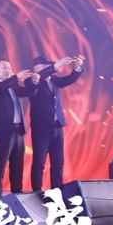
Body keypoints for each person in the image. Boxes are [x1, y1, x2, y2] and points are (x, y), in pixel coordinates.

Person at [28, 54, 85, 191]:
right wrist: (55, 66)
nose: (42, 70)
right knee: (39, 162)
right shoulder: (32, 81)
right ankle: (37, 191)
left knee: (58, 162)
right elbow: (40, 76)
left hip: (57, 126)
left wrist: (77, 68)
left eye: (45, 67)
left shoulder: (53, 80)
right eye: (40, 67)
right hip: (41, 128)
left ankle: (57, 190)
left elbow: (70, 79)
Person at [0, 60, 37, 200]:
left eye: (9, 67)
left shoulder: (12, 85)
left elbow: (27, 92)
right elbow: (0, 88)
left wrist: (34, 82)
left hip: (18, 130)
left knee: (17, 164)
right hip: (3, 130)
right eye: (3, 67)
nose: (7, 70)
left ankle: (17, 194)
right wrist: (16, 77)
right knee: (1, 163)